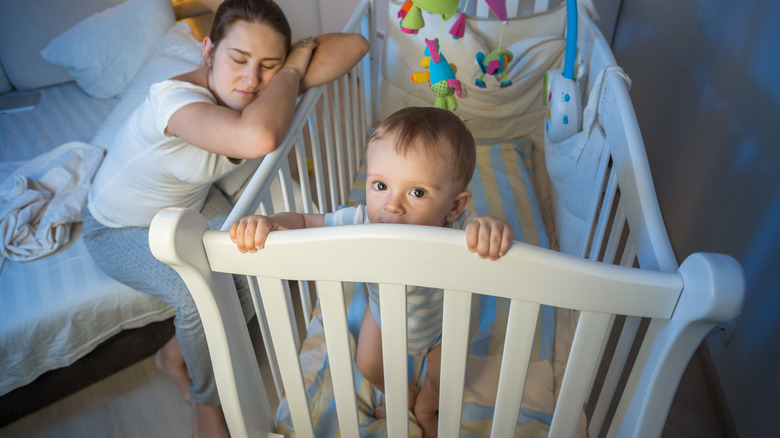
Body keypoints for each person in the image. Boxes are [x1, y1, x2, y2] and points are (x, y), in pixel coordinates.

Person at [81, 0, 369, 436]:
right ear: (208, 50)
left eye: (267, 64)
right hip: (118, 227)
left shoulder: (258, 86)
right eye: (238, 59)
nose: (251, 80)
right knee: (199, 294)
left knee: (251, 263)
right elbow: (258, 135)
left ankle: (172, 354)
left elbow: (357, 43)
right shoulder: (174, 103)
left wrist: (292, 59)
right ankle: (207, 399)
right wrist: (290, 70)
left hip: (190, 203)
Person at [229, 106, 515, 437]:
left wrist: (491, 228)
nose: (392, 205)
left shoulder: (459, 229)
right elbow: (307, 222)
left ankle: (423, 407)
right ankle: (401, 392)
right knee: (367, 365)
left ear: (454, 206)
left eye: (417, 192)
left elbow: (488, 234)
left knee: (448, 378)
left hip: (443, 326)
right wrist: (273, 222)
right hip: (382, 317)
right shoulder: (363, 220)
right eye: (380, 186)